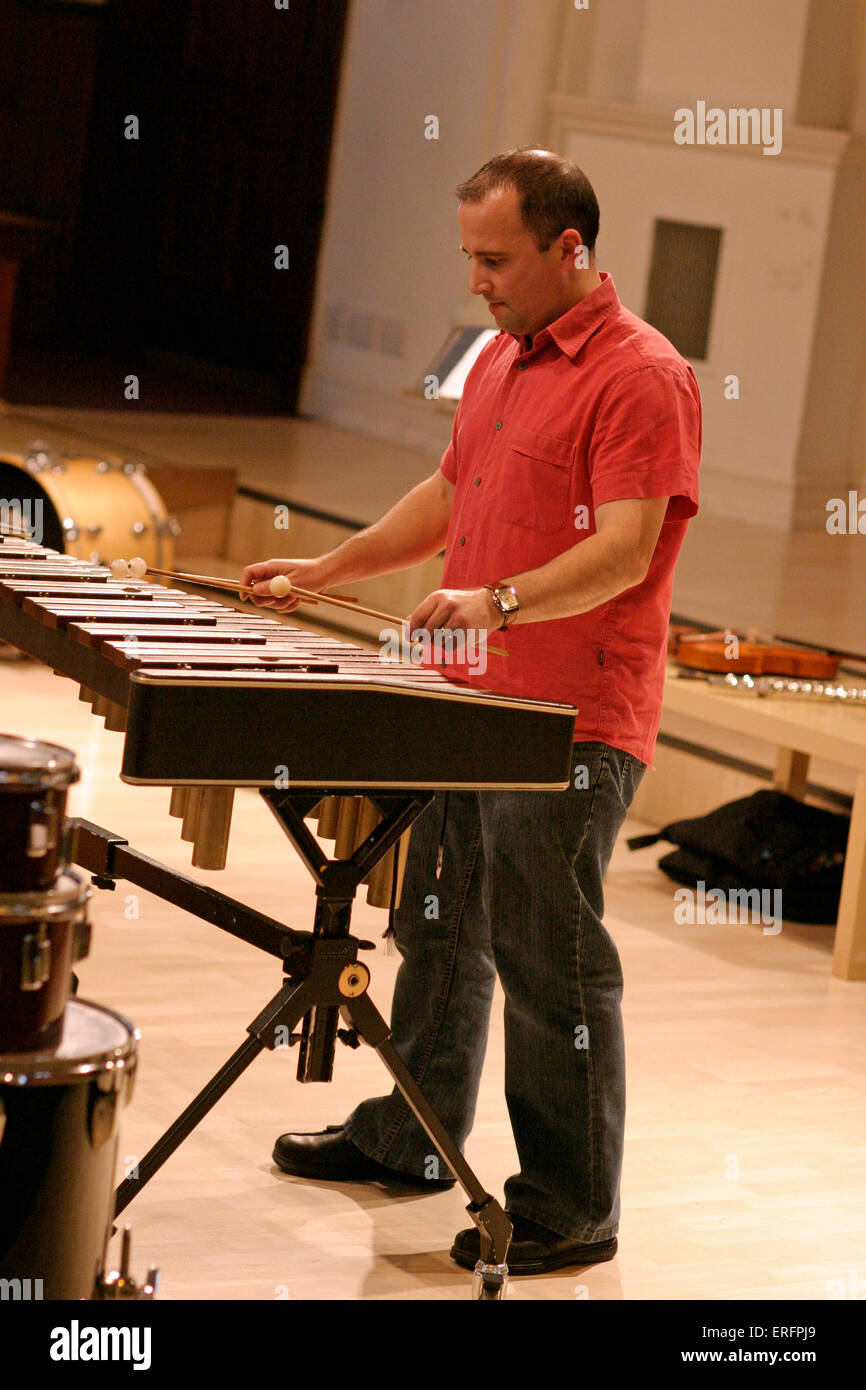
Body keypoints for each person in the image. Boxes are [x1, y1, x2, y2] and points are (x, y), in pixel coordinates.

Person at [241, 148, 701, 1276]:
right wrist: (332, 568)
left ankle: (568, 1205)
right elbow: (450, 492)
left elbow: (624, 551)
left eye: (494, 260)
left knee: (550, 962)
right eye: (468, 259)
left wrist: (492, 600)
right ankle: (411, 1132)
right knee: (437, 927)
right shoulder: (499, 356)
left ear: (568, 248)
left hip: (569, 716)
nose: (476, 282)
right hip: (468, 692)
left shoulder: (641, 375)